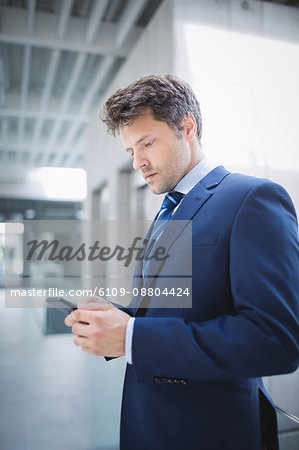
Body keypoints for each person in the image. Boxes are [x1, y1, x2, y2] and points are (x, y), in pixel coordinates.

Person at [65, 74, 299, 450]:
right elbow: (171, 311)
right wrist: (115, 319)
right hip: (149, 424)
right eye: (131, 151)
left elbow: (276, 340)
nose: (139, 162)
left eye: (147, 143)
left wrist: (132, 337)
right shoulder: (168, 210)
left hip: (210, 431)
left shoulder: (253, 199)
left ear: (187, 126)